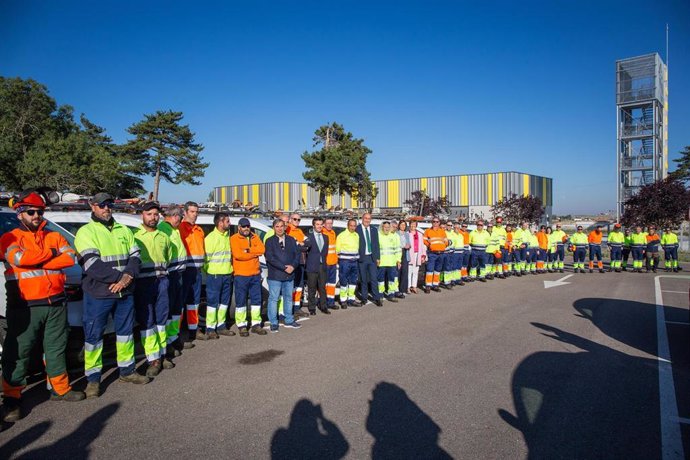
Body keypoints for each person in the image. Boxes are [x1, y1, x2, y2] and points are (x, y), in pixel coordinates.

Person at [1, 191, 85, 421]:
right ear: (20, 214)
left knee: (56, 348)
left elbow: (69, 257)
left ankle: (60, 388)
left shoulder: (54, 235)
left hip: (56, 302)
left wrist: (39, 256)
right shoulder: (9, 237)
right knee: (18, 352)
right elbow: (18, 259)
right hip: (25, 305)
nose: (37, 215)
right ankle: (11, 398)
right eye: (31, 212)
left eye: (40, 211)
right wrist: (50, 254)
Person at [74, 192, 149, 398]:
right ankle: (93, 380)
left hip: (125, 291)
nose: (106, 208)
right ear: (93, 207)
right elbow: (91, 264)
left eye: (109, 205)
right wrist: (119, 278)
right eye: (101, 205)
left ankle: (127, 371)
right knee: (94, 338)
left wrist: (126, 278)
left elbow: (135, 257)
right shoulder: (86, 232)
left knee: (125, 334)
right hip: (99, 293)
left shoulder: (123, 230)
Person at [133, 201, 175, 377]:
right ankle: (153, 359)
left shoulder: (164, 237)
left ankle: (163, 353)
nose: (153, 217)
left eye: (156, 214)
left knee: (162, 319)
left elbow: (168, 258)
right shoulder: (135, 236)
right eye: (149, 214)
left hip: (162, 281)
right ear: (142, 215)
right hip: (143, 284)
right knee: (148, 321)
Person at [157, 206, 191, 357]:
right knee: (169, 311)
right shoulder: (164, 229)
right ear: (174, 216)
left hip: (178, 274)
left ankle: (174, 336)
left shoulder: (174, 229)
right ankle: (167, 342)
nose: (181, 220)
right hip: (170, 275)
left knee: (177, 309)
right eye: (180, 217)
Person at [231, 217, 267, 335]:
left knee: (256, 300)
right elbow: (238, 255)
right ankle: (242, 325)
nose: (246, 228)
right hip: (241, 275)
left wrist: (248, 250)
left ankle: (256, 324)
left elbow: (262, 249)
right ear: (239, 227)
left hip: (255, 274)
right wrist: (253, 253)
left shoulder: (254, 236)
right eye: (244, 226)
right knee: (241, 301)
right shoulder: (234, 238)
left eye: (248, 226)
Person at [264, 218, 301, 332]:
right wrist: (284, 267)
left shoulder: (291, 240)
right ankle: (274, 322)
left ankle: (289, 320)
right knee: (274, 299)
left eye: (281, 226)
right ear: (274, 228)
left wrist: (293, 267)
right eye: (277, 226)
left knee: (288, 298)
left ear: (285, 227)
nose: (279, 229)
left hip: (289, 275)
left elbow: (297, 255)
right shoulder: (269, 241)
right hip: (275, 275)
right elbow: (270, 258)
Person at [202, 212, 234, 339]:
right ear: (220, 223)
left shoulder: (227, 236)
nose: (229, 223)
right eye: (227, 221)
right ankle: (210, 328)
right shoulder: (210, 238)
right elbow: (206, 259)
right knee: (212, 302)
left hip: (227, 274)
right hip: (215, 275)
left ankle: (221, 326)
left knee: (224, 302)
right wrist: (210, 271)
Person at [179, 201, 205, 343]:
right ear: (185, 212)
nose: (195, 214)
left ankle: (194, 329)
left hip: (197, 271)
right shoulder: (180, 228)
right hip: (185, 271)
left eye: (196, 212)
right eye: (192, 212)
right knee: (181, 302)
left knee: (194, 303)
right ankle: (179, 332)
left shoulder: (199, 230)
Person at [304, 217, 330, 315]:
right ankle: (312, 308)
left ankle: (323, 306)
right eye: (317, 224)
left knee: (322, 287)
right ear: (313, 226)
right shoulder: (308, 237)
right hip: (312, 266)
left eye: (320, 224)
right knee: (312, 288)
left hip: (322, 266)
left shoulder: (325, 237)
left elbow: (325, 252)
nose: (319, 226)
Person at [356, 213, 383, 306]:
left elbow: (377, 245)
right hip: (362, 258)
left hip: (372, 258)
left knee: (374, 279)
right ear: (362, 218)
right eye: (365, 218)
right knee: (363, 279)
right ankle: (364, 298)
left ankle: (377, 298)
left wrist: (378, 258)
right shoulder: (357, 229)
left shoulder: (374, 230)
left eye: (369, 219)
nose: (367, 220)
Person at [335, 218, 361, 307]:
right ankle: (343, 300)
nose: (353, 227)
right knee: (343, 281)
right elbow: (337, 249)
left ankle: (351, 299)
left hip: (354, 261)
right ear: (348, 226)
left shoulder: (356, 235)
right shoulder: (341, 235)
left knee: (353, 281)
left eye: (354, 226)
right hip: (345, 261)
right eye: (351, 225)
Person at [287, 213, 307, 312]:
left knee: (299, 285)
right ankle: (290, 308)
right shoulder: (287, 230)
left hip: (301, 261)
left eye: (299, 219)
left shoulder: (299, 231)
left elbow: (307, 242)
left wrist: (300, 244)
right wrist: (300, 244)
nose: (297, 221)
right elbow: (293, 246)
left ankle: (297, 307)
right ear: (290, 219)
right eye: (295, 219)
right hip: (292, 262)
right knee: (292, 286)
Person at [378, 221, 403, 302]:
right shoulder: (378, 235)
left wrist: (398, 260)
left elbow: (398, 249)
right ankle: (380, 295)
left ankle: (391, 295)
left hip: (392, 262)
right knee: (380, 280)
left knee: (392, 280)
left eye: (388, 227)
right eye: (385, 227)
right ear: (382, 227)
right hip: (381, 262)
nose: (387, 229)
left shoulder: (393, 236)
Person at [423, 217, 449, 292]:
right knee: (430, 270)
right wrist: (429, 245)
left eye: (437, 222)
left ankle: (435, 285)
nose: (435, 223)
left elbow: (446, 240)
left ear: (439, 223)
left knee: (437, 270)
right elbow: (424, 240)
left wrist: (445, 245)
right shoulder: (427, 231)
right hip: (432, 253)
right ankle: (428, 285)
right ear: (432, 222)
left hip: (441, 253)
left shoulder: (442, 231)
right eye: (434, 221)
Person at [322, 218, 339, 310]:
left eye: (331, 223)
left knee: (332, 284)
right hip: (325, 263)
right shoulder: (322, 233)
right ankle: (323, 302)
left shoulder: (333, 233)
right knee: (323, 284)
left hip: (333, 262)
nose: (329, 225)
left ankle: (331, 302)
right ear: (324, 224)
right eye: (327, 223)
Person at [407, 220, 426, 293]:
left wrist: (423, 255)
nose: (413, 226)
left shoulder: (420, 234)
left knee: (415, 271)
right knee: (409, 271)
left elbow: (422, 246)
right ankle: (408, 287)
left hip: (418, 254)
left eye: (414, 225)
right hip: (410, 255)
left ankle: (414, 286)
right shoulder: (407, 234)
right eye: (411, 224)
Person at [397, 221, 411, 295]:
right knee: (398, 271)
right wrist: (403, 246)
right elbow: (396, 244)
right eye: (401, 225)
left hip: (405, 253)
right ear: (399, 225)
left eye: (404, 225)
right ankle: (397, 289)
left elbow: (409, 243)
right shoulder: (396, 234)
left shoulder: (407, 234)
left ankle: (403, 289)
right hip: (399, 253)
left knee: (405, 271)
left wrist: (409, 245)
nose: (403, 226)